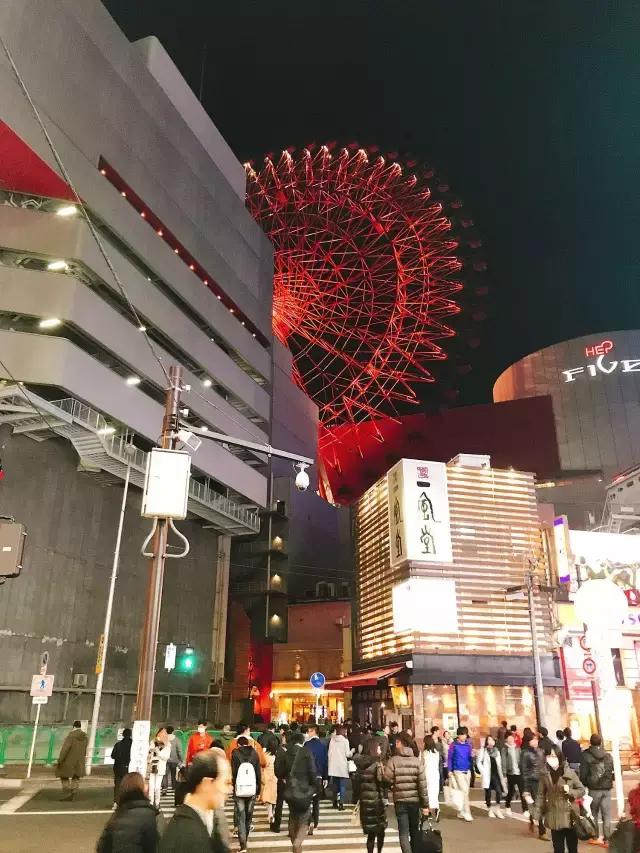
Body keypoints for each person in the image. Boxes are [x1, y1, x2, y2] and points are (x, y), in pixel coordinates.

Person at [160, 750, 232, 853]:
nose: (229, 790)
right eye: (226, 782)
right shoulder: (188, 835)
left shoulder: (205, 817)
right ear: (207, 783)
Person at [532, 745, 585, 853]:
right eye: (548, 756)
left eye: (553, 756)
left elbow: (581, 790)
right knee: (558, 848)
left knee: (572, 848)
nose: (551, 758)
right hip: (554, 815)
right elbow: (540, 795)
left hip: (569, 816)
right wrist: (536, 815)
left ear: (559, 756)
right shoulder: (545, 774)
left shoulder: (569, 772)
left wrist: (569, 791)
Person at [384, 731, 429, 853]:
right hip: (415, 802)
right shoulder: (416, 761)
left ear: (400, 743)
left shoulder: (393, 761)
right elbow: (423, 786)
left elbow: (386, 780)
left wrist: (392, 786)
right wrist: (425, 805)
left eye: (396, 742)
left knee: (403, 832)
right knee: (415, 830)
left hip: (400, 801)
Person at [97, 771, 160, 853]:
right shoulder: (150, 815)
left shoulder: (117, 815)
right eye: (144, 783)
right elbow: (156, 846)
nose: (147, 786)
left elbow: (102, 847)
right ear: (141, 789)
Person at [278, 731, 317, 853]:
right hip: (304, 790)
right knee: (304, 816)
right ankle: (297, 843)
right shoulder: (306, 752)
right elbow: (312, 772)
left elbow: (280, 771)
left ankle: (295, 843)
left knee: (293, 815)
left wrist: (285, 779)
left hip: (290, 790)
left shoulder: (286, 752)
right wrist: (315, 787)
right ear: (302, 741)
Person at [579, 733, 614, 845]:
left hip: (594, 789)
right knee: (607, 814)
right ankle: (607, 838)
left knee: (593, 813)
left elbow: (583, 773)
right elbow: (611, 772)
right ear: (600, 742)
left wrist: (584, 785)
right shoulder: (608, 755)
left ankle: (595, 836)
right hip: (607, 789)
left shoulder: (585, 755)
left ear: (591, 742)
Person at [357, 738, 390, 853]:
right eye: (379, 747)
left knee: (371, 833)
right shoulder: (377, 764)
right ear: (374, 749)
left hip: (365, 802)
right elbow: (383, 782)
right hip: (376, 801)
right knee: (381, 830)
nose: (381, 749)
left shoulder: (360, 764)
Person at [231, 736, 261, 853]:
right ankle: (245, 839)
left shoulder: (235, 753)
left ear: (238, 744)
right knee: (249, 816)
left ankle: (243, 845)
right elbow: (258, 772)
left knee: (241, 817)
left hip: (239, 789)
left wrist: (234, 787)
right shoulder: (254, 753)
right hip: (252, 789)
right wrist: (258, 790)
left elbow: (233, 772)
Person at [520, 732, 546, 839]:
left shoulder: (541, 751)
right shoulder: (525, 753)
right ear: (528, 741)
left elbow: (544, 766)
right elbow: (524, 770)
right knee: (538, 805)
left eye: (536, 739)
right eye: (533, 740)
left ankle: (532, 819)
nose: (535, 742)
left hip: (541, 780)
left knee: (540, 804)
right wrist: (525, 787)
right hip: (531, 782)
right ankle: (542, 832)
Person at [304, 724, 328, 834]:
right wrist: (325, 777)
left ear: (313, 731)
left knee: (308, 801)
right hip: (319, 776)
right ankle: (316, 823)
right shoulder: (323, 745)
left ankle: (309, 821)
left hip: (308, 776)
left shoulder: (306, 745)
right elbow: (325, 762)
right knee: (316, 802)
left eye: (309, 731)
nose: (308, 733)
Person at [476, 735, 507, 818]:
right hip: (487, 774)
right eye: (489, 739)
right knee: (488, 792)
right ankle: (489, 809)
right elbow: (478, 762)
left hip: (496, 774)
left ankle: (498, 808)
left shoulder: (497, 751)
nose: (490, 741)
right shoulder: (483, 750)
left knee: (499, 791)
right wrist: (483, 771)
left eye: (492, 739)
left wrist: (503, 774)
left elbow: (500, 763)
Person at [56, 720, 88, 801]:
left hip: (69, 761)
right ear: (80, 727)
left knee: (63, 775)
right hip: (79, 761)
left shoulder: (70, 736)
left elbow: (65, 749)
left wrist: (60, 760)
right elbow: (84, 750)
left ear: (73, 726)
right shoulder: (85, 737)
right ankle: (74, 791)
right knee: (76, 776)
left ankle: (67, 791)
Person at [447, 726, 474, 821]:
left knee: (464, 792)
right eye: (462, 734)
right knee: (465, 791)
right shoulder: (453, 745)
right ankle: (467, 812)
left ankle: (460, 811)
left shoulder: (468, 745)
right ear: (458, 735)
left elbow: (470, 758)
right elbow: (449, 758)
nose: (464, 736)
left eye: (465, 734)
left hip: (467, 770)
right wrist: (449, 770)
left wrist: (472, 757)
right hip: (457, 771)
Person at [328, 725, 351, 810]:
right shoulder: (345, 741)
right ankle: (341, 803)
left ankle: (334, 802)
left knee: (335, 785)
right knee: (342, 786)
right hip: (342, 765)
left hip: (333, 765)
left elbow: (329, 753)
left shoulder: (332, 740)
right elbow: (347, 754)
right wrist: (352, 751)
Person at [148, 728, 171, 809]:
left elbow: (166, 757)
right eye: (159, 734)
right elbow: (149, 752)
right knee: (151, 786)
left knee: (157, 787)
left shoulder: (168, 745)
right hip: (152, 766)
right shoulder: (153, 742)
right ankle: (151, 802)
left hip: (160, 767)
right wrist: (151, 751)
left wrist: (158, 752)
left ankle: (157, 803)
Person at [110, 727, 133, 807]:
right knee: (129, 785)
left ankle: (116, 802)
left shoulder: (118, 744)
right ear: (130, 735)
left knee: (117, 786)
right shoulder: (133, 745)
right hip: (129, 768)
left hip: (118, 768)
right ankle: (127, 803)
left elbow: (112, 756)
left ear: (123, 735)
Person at [502, 732, 523, 815]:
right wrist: (504, 774)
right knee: (511, 791)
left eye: (512, 738)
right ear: (506, 739)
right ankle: (507, 806)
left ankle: (525, 809)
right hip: (510, 773)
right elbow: (503, 762)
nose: (511, 740)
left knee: (522, 791)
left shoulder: (518, 748)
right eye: (509, 738)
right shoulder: (505, 749)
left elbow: (521, 760)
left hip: (518, 772)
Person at [422, 735, 441, 821]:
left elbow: (421, 764)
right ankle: (436, 808)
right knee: (434, 792)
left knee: (427, 793)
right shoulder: (436, 753)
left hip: (427, 774)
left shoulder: (424, 753)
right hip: (435, 774)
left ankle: (428, 812)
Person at [261, 740, 278, 829]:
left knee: (267, 798)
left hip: (267, 778)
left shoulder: (265, 756)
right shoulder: (277, 756)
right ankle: (274, 812)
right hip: (275, 778)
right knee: (274, 797)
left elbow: (261, 766)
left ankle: (270, 814)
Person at [165, 726, 182, 793]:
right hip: (174, 760)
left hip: (165, 759)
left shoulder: (164, 739)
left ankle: (164, 788)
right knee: (173, 774)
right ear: (173, 731)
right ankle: (173, 788)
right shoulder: (177, 739)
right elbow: (179, 751)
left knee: (165, 774)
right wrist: (181, 759)